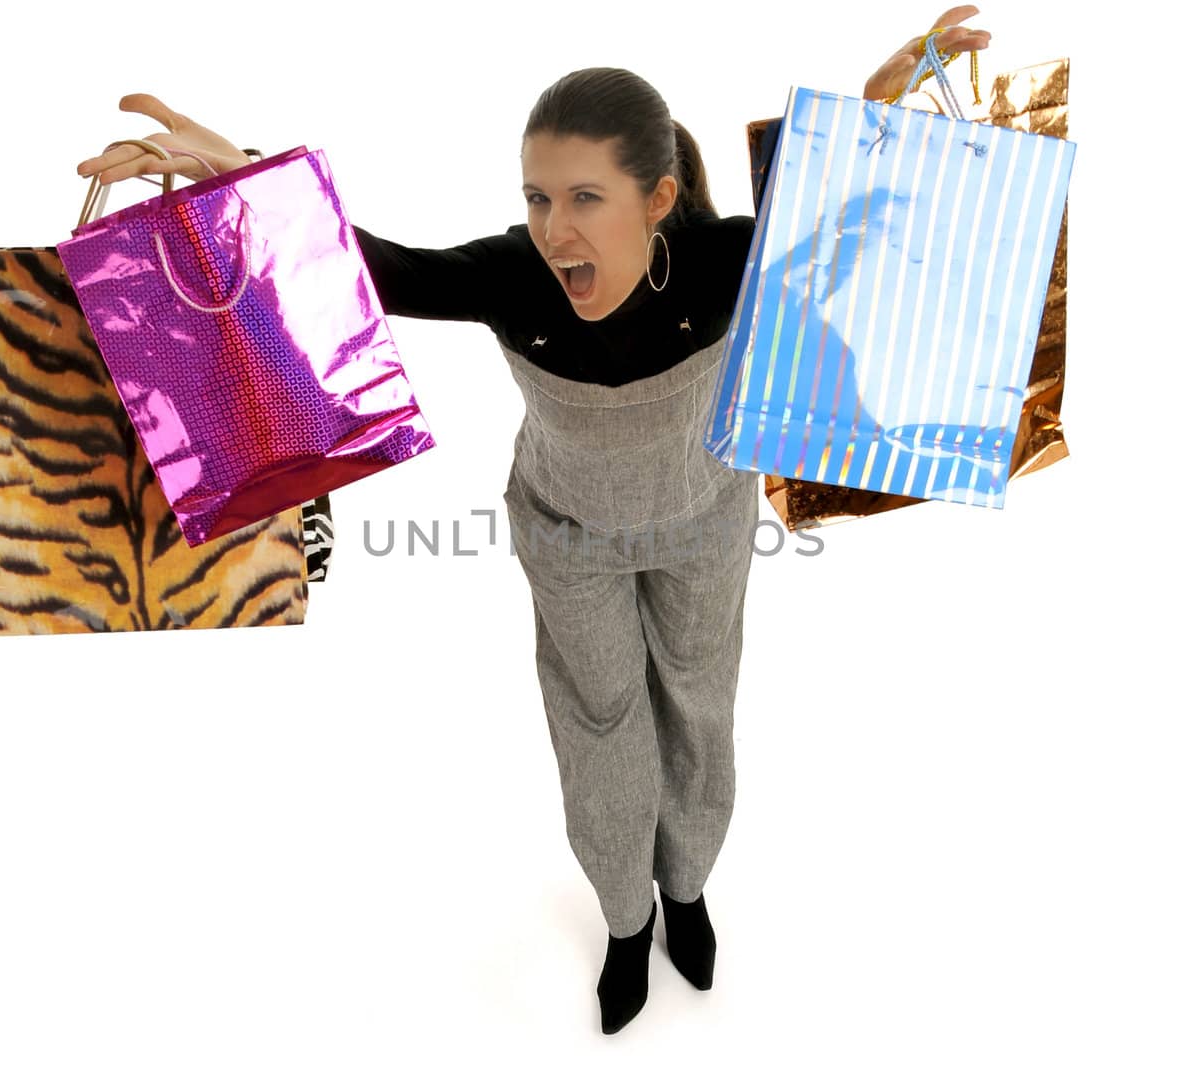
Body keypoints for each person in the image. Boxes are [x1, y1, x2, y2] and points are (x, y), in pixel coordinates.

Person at [76, 7, 992, 1035]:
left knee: (697, 700)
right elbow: (366, 260)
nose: (556, 229)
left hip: (705, 519)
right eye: (538, 197)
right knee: (597, 718)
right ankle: (626, 915)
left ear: (659, 199)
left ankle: (685, 885)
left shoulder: (723, 259)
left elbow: (837, 200)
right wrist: (236, 172)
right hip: (567, 533)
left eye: (586, 199)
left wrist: (891, 85)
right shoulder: (516, 273)